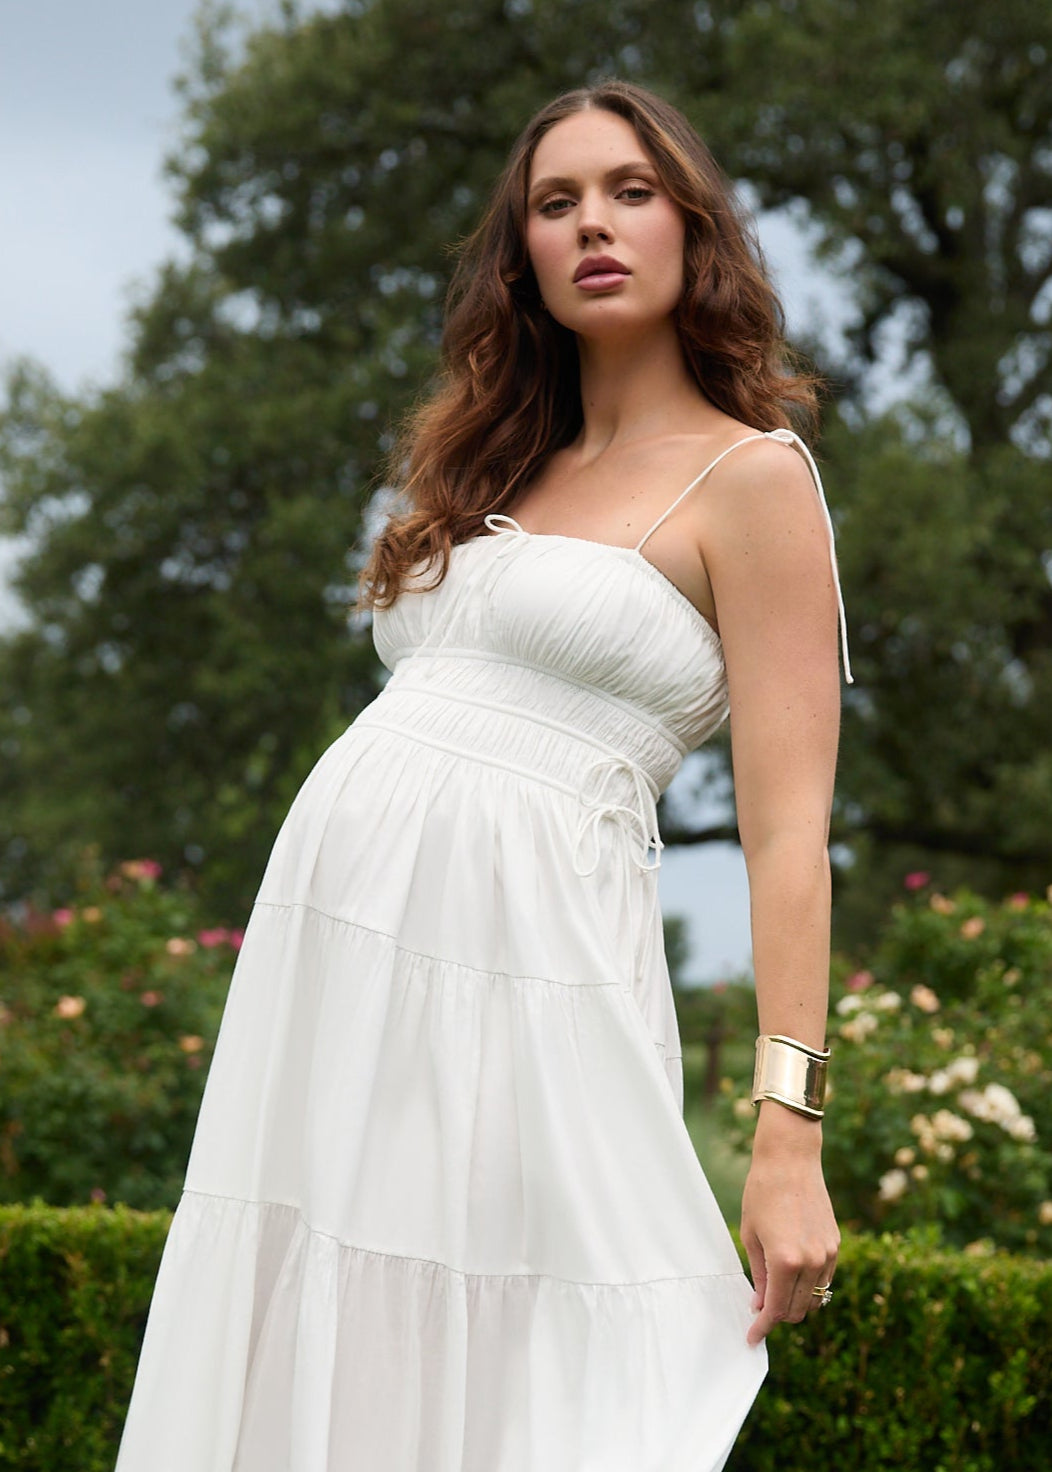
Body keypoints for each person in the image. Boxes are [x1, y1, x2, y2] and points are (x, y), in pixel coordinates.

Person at [115, 79, 849, 1472]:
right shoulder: (486, 460)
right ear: (521, 254)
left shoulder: (756, 483)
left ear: (696, 231)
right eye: (556, 201)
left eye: (631, 192)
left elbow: (788, 833)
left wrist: (789, 1134)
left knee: (551, 1357)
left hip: (539, 964)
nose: (594, 224)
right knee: (321, 1322)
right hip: (343, 964)